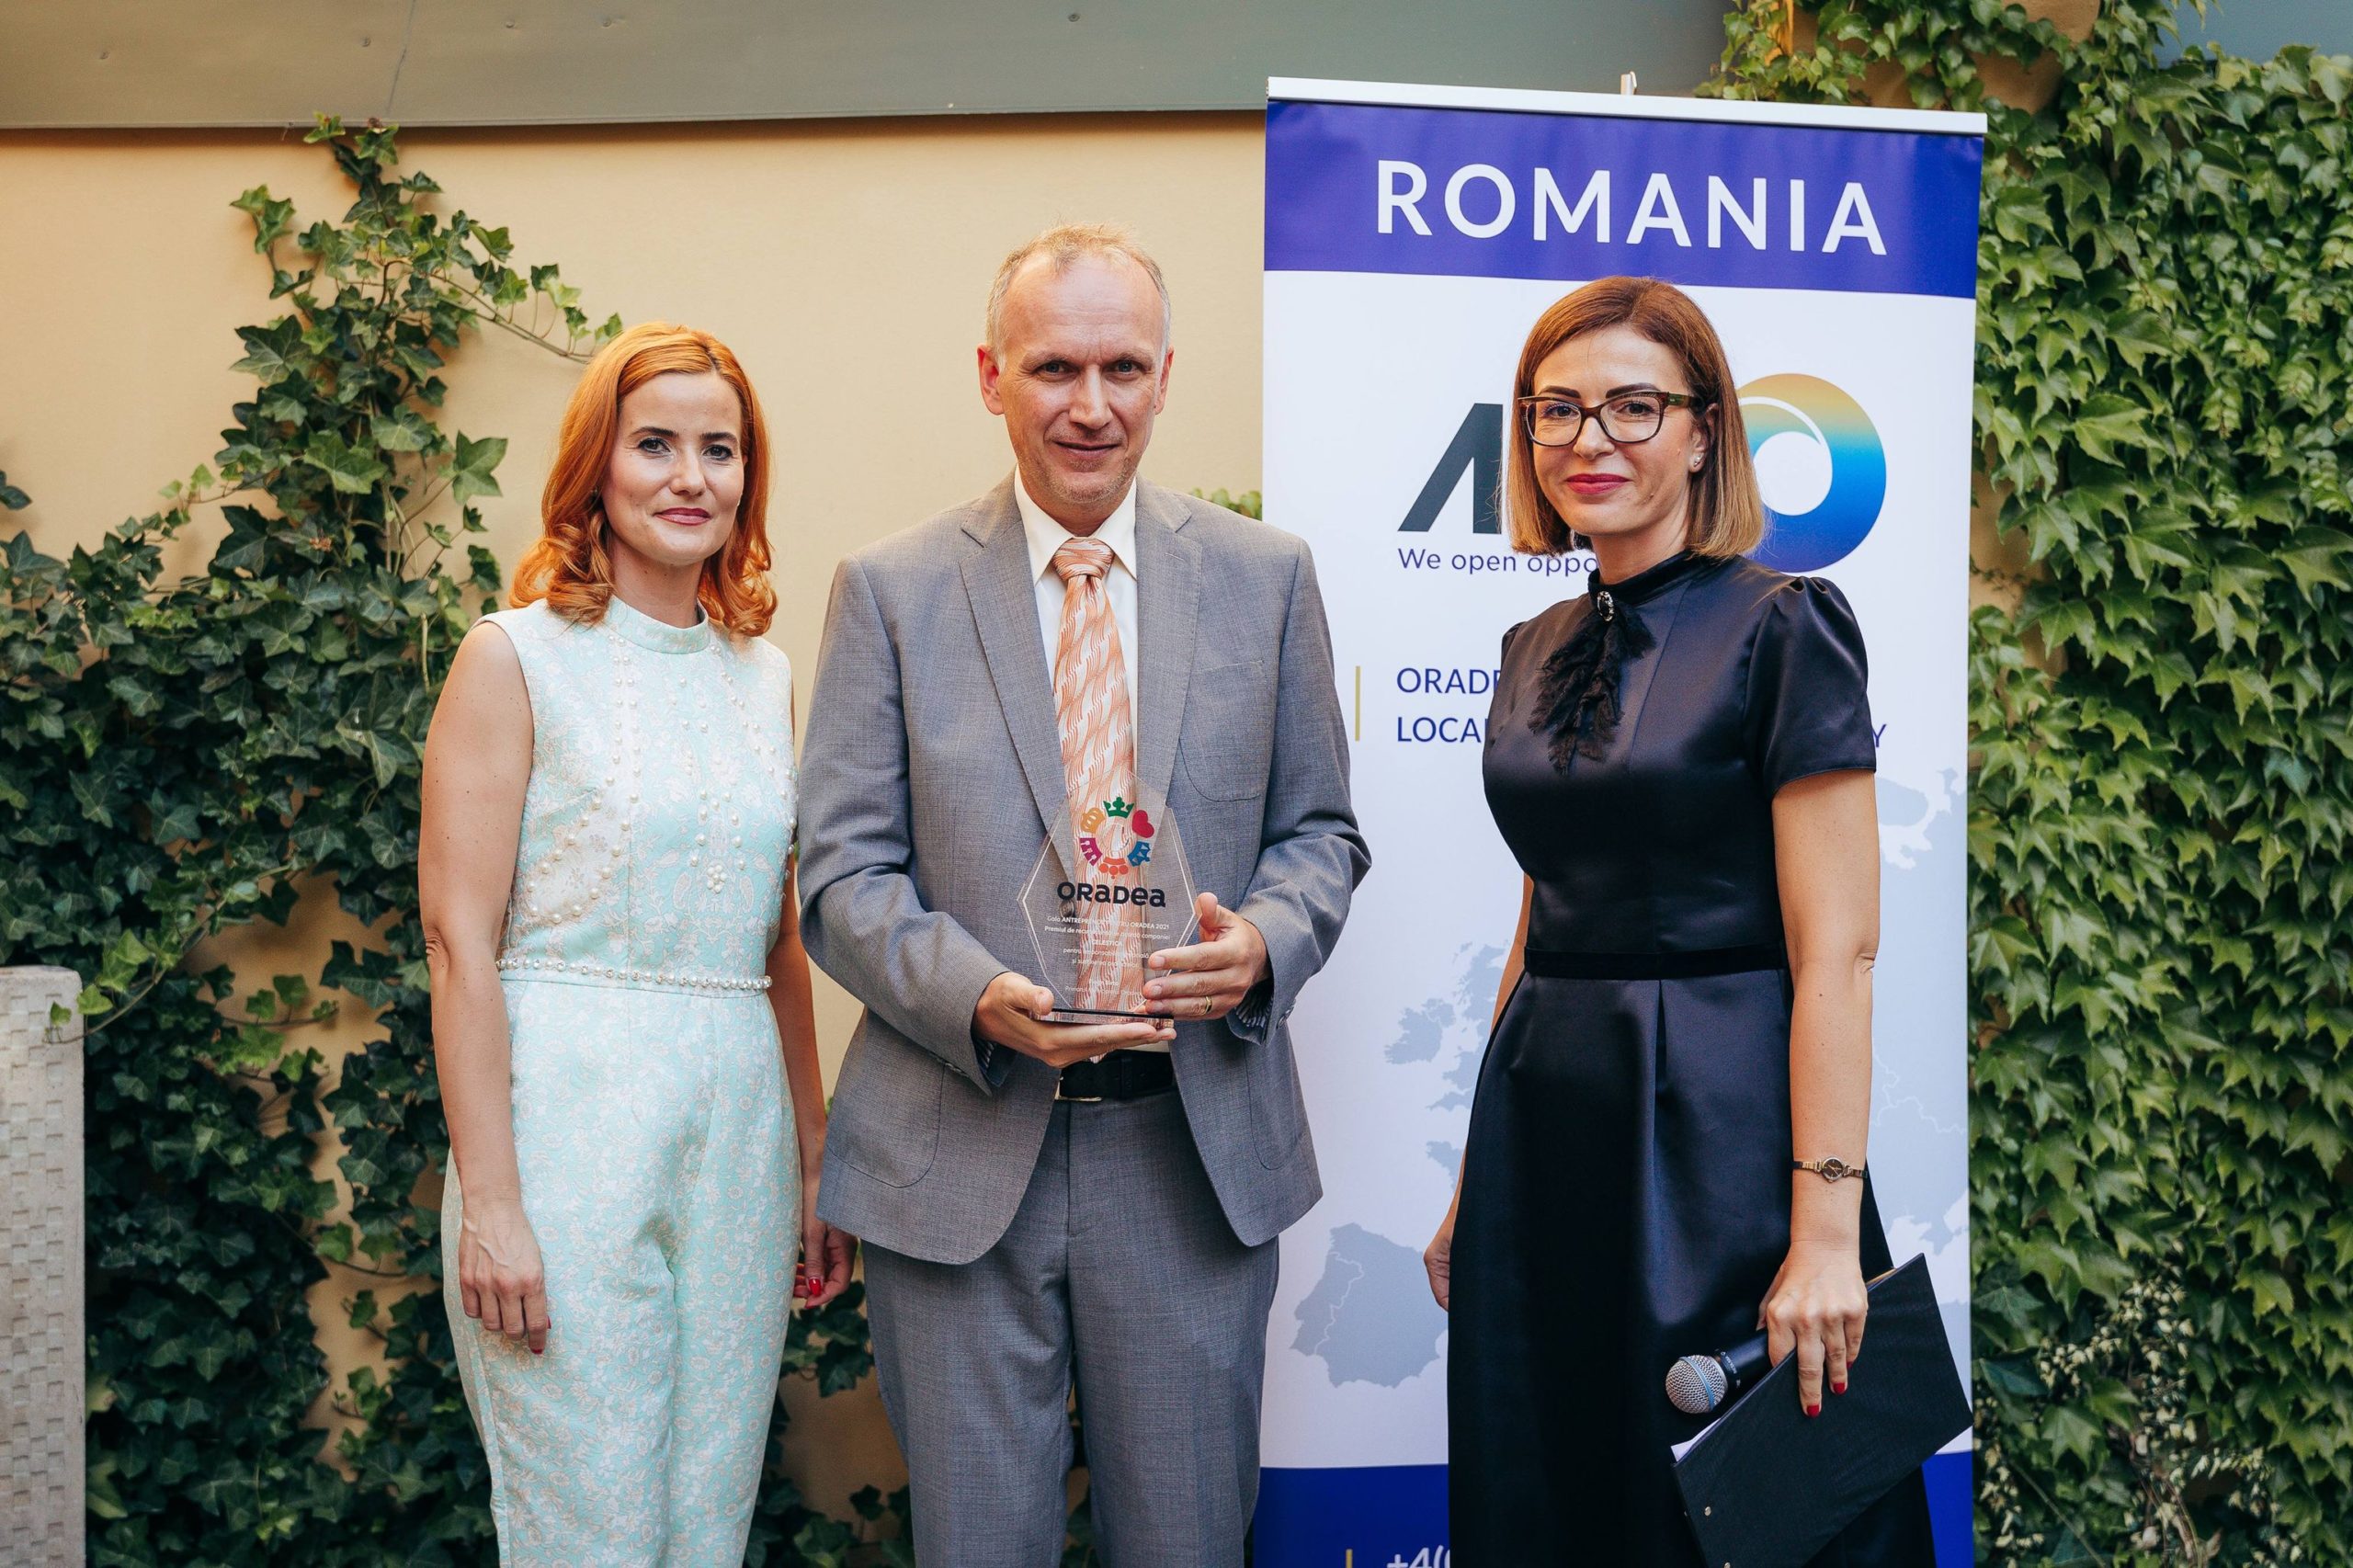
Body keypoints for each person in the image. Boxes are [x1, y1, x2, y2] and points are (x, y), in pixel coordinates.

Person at [796, 223, 1367, 1566]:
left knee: (1186, 1543)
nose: (1091, 405)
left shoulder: (1267, 579)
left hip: (1187, 1159)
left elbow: (1321, 835)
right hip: (955, 1150)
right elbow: (841, 869)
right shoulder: (889, 591)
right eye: (1055, 367)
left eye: (1122, 367)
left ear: (1167, 376)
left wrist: (1262, 943)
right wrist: (974, 995)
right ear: (991, 375)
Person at [1422, 276, 1938, 1564]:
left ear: (1706, 430)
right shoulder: (1532, 644)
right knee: (1559, 1489)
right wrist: (1479, 1188)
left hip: (1722, 1128)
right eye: (1557, 409)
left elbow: (1838, 951)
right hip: (1548, 1123)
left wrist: (1827, 1235)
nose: (1588, 438)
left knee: (1736, 1515)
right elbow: (1542, 915)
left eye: (1632, 406)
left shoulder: (1786, 626)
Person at [420, 322, 854, 1565]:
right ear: (595, 467)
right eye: (654, 443)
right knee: (589, 1528)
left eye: (720, 449)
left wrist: (814, 1162)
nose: (689, 477)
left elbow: (776, 940)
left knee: (704, 1529)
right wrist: (493, 1205)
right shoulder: (513, 658)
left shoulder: (762, 676)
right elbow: (456, 941)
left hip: (738, 1148)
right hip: (564, 1134)